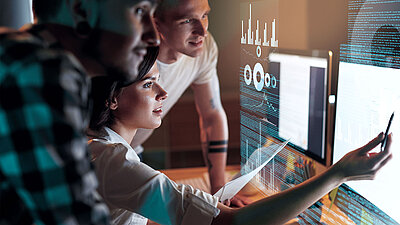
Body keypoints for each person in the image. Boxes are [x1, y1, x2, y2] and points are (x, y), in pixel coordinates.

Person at [88, 47, 393, 225]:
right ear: (112, 98)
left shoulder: (106, 150)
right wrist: (337, 174)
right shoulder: (111, 160)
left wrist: (208, 206)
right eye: (147, 85)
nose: (163, 92)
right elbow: (232, 224)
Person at [0, 0, 159, 224]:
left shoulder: (21, 54)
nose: (154, 36)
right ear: (81, 11)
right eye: (139, 11)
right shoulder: (45, 70)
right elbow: (72, 215)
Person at [130, 0, 244, 205]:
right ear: (155, 22)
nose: (202, 31)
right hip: (98, 153)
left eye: (204, 16)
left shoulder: (204, 47)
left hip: (133, 152)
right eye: (188, 20)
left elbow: (212, 116)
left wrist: (219, 190)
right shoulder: (130, 54)